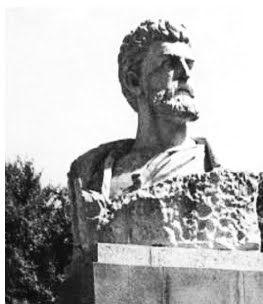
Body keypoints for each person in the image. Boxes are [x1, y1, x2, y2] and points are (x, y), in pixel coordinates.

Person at [69, 19, 218, 204]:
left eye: (189, 64)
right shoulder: (92, 175)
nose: (185, 73)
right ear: (134, 82)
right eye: (169, 63)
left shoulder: (209, 168)